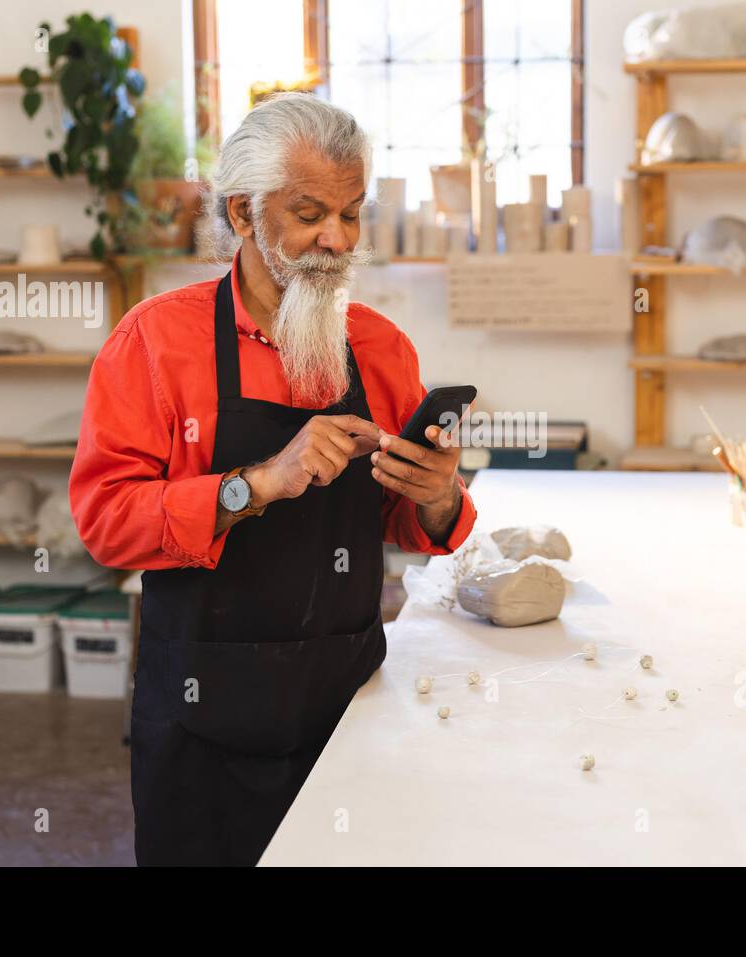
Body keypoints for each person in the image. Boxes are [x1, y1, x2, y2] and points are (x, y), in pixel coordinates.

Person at [69, 93, 476, 865]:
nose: (336, 238)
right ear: (245, 214)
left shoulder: (379, 347)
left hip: (346, 708)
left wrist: (436, 494)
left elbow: (403, 519)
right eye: (310, 212)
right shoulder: (156, 342)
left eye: (353, 214)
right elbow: (104, 523)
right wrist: (255, 484)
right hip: (201, 724)